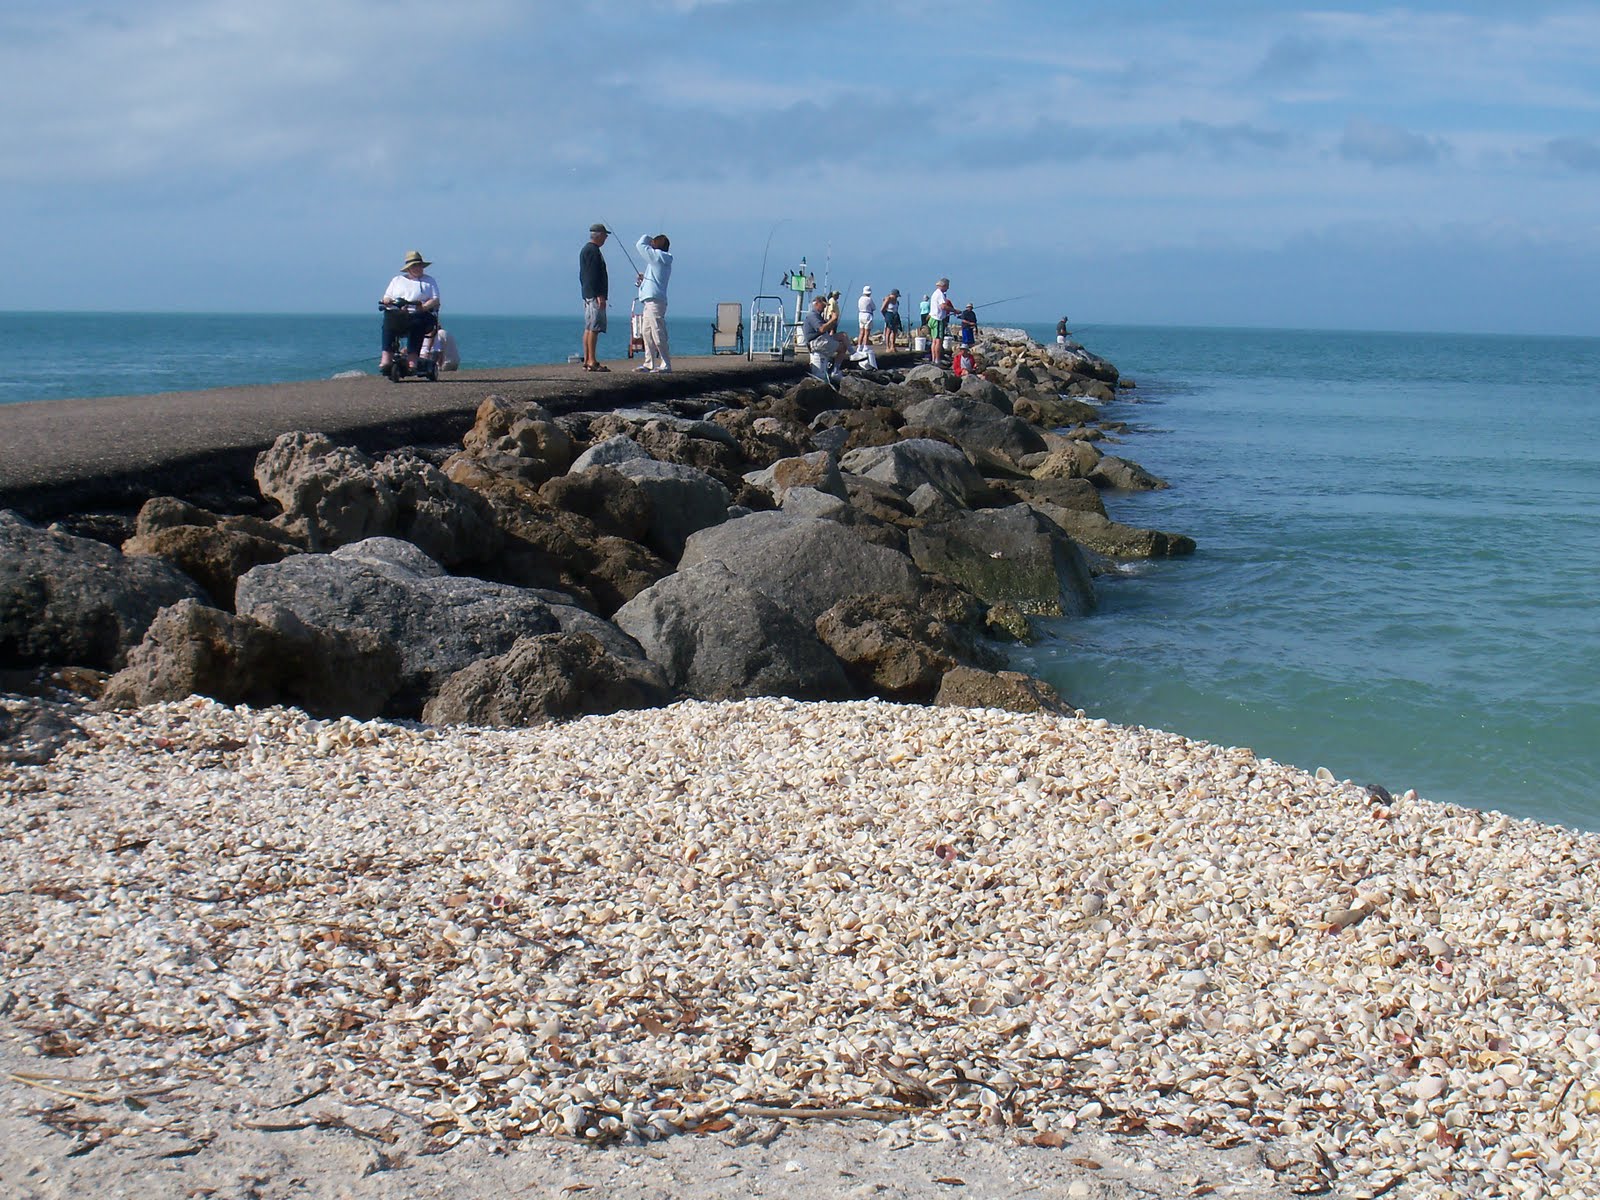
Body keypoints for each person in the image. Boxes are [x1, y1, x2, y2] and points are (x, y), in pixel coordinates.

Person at [379, 250, 440, 374]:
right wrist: (387, 301)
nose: (418, 268)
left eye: (419, 265)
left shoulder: (429, 281)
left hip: (421, 313)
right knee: (388, 320)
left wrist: (424, 307)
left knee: (416, 322)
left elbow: (435, 300)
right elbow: (387, 296)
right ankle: (386, 358)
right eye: (415, 266)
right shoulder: (397, 280)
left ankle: (413, 359)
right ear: (408, 268)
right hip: (399, 313)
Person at [633, 233, 673, 373]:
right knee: (647, 332)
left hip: (655, 302)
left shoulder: (658, 258)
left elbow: (639, 244)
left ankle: (665, 364)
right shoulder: (658, 262)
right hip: (650, 301)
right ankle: (649, 363)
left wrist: (648, 238)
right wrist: (643, 280)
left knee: (657, 332)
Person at [579, 223, 609, 372]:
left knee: (589, 327)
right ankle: (591, 360)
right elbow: (592, 275)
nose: (606, 238)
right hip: (593, 295)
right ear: (599, 235)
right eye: (605, 235)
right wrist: (599, 295)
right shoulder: (592, 251)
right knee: (594, 327)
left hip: (589, 293)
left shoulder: (589, 250)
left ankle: (587, 359)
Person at [802, 294, 849, 381]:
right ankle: (835, 371)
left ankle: (853, 353)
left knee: (843, 335)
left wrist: (833, 320)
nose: (824, 308)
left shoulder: (818, 315)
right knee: (842, 348)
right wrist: (832, 320)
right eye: (823, 306)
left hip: (821, 340)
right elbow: (822, 329)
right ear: (816, 304)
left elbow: (827, 328)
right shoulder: (812, 315)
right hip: (817, 342)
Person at [927, 277, 955, 367]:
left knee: (934, 341)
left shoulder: (935, 293)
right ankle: (937, 360)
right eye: (947, 286)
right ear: (944, 285)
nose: (948, 288)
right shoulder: (940, 294)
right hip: (938, 319)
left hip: (932, 318)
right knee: (938, 341)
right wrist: (954, 310)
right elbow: (943, 306)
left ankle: (934, 359)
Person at [856, 285, 874, 350]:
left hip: (860, 315)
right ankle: (865, 346)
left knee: (861, 332)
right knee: (867, 332)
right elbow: (873, 307)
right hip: (867, 315)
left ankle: (859, 346)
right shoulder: (869, 299)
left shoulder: (860, 299)